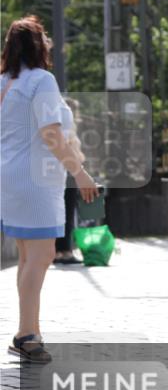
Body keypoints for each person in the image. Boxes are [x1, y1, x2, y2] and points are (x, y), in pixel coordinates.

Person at [1, 15, 98, 363]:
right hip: (34, 181)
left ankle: (27, 331)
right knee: (41, 256)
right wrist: (81, 173)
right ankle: (28, 334)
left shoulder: (5, 82)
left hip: (11, 177)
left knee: (29, 257)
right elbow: (51, 134)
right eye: (46, 38)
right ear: (39, 45)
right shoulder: (41, 80)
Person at [53, 97, 84, 265]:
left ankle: (58, 251)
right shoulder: (68, 128)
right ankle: (65, 250)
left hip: (59, 171)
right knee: (68, 212)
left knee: (60, 213)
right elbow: (72, 150)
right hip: (69, 171)